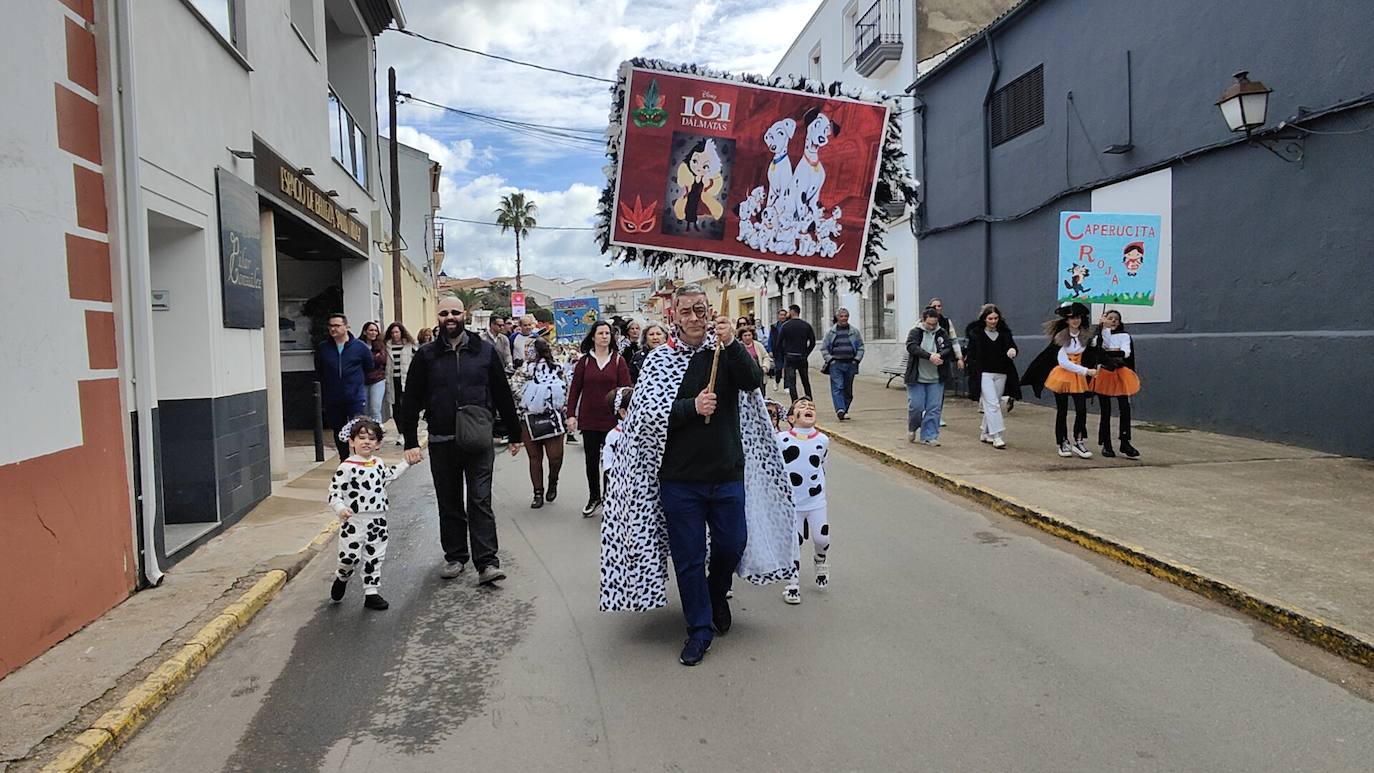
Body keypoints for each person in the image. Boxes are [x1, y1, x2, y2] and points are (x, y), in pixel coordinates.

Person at [600, 285, 797, 667]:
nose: (694, 317)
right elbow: (646, 418)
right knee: (689, 556)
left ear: (710, 312)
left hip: (727, 473)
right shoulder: (659, 360)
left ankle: (716, 591)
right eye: (686, 311)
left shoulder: (724, 351)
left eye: (700, 310)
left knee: (732, 544)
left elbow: (752, 381)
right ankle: (699, 628)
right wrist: (692, 407)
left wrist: (733, 343)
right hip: (679, 479)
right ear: (674, 315)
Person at [399, 297, 521, 585]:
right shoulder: (426, 355)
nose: (450, 317)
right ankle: (455, 556)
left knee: (480, 499)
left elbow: (502, 393)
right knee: (449, 501)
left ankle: (487, 562)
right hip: (442, 439)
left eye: (455, 312)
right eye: (444, 313)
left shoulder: (484, 351)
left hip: (478, 438)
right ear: (438, 317)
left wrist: (514, 433)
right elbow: (411, 399)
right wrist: (410, 441)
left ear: (464, 314)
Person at [327, 417, 410, 610]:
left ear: (378, 444)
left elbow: (389, 476)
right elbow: (334, 492)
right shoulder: (346, 467)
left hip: (377, 520)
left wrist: (406, 463)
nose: (366, 442)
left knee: (375, 556)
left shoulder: (378, 463)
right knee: (349, 557)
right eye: (362, 438)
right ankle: (342, 576)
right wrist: (341, 508)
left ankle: (371, 592)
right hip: (354, 521)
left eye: (372, 439)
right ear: (351, 442)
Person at [567, 321, 631, 517]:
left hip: (612, 421)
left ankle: (610, 498)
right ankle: (594, 497)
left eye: (607, 333)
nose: (604, 336)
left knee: (611, 461)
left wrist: (627, 415)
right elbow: (575, 389)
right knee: (591, 461)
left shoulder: (618, 361)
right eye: (601, 333)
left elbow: (626, 390)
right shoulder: (584, 362)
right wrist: (571, 415)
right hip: (589, 419)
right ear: (593, 337)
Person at [1022, 302, 1099, 459]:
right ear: (1067, 320)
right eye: (1072, 318)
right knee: (1062, 410)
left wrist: (1097, 340)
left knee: (1081, 409)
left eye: (1077, 317)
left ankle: (1079, 440)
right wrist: (1086, 371)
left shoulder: (1086, 336)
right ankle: (1063, 441)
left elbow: (1092, 354)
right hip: (1063, 376)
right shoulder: (1061, 337)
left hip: (1078, 378)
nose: (1075, 321)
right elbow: (1063, 362)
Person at [777, 398, 831, 606]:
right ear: (791, 418)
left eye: (811, 407)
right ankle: (792, 584)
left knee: (822, 538)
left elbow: (822, 465)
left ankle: (820, 559)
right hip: (792, 503)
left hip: (815, 500)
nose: (808, 408)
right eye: (802, 406)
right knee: (795, 543)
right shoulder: (781, 439)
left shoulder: (823, 440)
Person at [315, 313, 375, 460]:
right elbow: (319, 370)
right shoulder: (323, 348)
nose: (333, 329)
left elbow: (369, 366)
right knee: (338, 429)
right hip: (333, 396)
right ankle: (344, 459)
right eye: (331, 326)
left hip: (355, 396)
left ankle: (360, 458)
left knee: (358, 428)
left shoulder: (359, 347)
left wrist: (356, 382)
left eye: (337, 325)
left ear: (346, 327)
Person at [964, 304, 1022, 450]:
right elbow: (971, 353)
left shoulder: (1004, 333)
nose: (993, 321)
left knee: (995, 402)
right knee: (992, 404)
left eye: (996, 318)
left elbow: (1012, 346)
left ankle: (985, 432)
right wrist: (972, 367)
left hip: (1001, 372)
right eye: (990, 318)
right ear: (984, 319)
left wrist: (1012, 350)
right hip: (984, 373)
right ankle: (997, 435)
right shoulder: (977, 334)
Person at [519, 337, 568, 509]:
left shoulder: (557, 368)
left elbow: (566, 389)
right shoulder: (523, 370)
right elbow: (514, 390)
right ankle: (537, 493)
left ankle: (553, 481)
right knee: (535, 458)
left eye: (529, 347)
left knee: (555, 457)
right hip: (529, 418)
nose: (527, 350)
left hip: (552, 417)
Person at [1089, 309, 1141, 459]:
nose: (1113, 321)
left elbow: (1126, 352)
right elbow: (1096, 347)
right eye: (1109, 318)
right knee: (1105, 410)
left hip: (1120, 373)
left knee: (1125, 407)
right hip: (1104, 374)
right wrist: (1102, 330)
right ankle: (1106, 444)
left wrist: (1108, 352)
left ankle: (1125, 441)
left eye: (1116, 319)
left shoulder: (1124, 336)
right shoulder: (1098, 336)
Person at [904, 306, 954, 446]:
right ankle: (913, 427)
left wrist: (940, 355)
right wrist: (929, 356)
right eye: (929, 324)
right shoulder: (915, 332)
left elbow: (948, 347)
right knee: (916, 407)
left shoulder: (941, 332)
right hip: (917, 377)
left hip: (936, 378)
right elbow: (911, 347)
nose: (932, 327)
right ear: (923, 320)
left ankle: (929, 436)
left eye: (934, 324)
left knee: (934, 408)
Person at [820, 307, 865, 420]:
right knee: (838, 386)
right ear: (837, 317)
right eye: (841, 316)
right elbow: (824, 348)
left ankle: (845, 409)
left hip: (850, 363)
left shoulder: (854, 332)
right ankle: (840, 409)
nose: (844, 318)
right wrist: (830, 360)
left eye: (846, 316)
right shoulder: (831, 332)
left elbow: (860, 346)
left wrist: (857, 359)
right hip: (836, 364)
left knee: (848, 389)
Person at [927, 298, 964, 427]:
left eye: (939, 306)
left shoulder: (946, 322)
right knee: (927, 388)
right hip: (927, 360)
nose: (937, 308)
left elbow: (953, 340)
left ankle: (937, 415)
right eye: (934, 306)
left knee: (940, 389)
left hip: (943, 359)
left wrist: (959, 357)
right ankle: (927, 412)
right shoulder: (922, 321)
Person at [777, 304, 816, 401]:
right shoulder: (806, 325)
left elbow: (779, 342)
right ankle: (809, 399)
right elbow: (812, 342)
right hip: (802, 356)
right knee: (805, 380)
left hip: (790, 356)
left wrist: (784, 353)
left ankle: (794, 401)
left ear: (792, 312)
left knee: (792, 382)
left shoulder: (785, 326)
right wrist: (806, 353)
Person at [383, 323, 415, 445]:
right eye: (392, 333)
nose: (395, 335)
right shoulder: (386, 346)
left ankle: (409, 431)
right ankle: (401, 433)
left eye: (397, 332)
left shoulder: (409, 346)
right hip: (392, 380)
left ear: (401, 332)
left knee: (407, 407)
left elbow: (416, 361)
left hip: (406, 380)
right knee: (396, 408)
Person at [599, 386, 633, 494]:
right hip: (617, 484)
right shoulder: (613, 436)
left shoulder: (641, 432)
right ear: (623, 413)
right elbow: (607, 463)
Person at [360, 321, 388, 423]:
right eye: (371, 330)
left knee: (375, 408)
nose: (374, 333)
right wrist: (373, 358)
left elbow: (382, 360)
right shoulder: (359, 345)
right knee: (365, 409)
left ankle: (377, 430)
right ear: (365, 332)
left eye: (376, 330)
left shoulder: (381, 345)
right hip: (363, 380)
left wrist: (369, 359)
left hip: (377, 379)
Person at [766, 308, 789, 387]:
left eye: (784, 315)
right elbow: (770, 339)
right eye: (781, 315)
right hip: (777, 350)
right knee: (778, 368)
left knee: (787, 369)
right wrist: (770, 350)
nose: (783, 316)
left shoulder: (789, 325)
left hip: (787, 350)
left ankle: (786, 386)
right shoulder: (774, 327)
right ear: (778, 316)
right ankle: (777, 380)